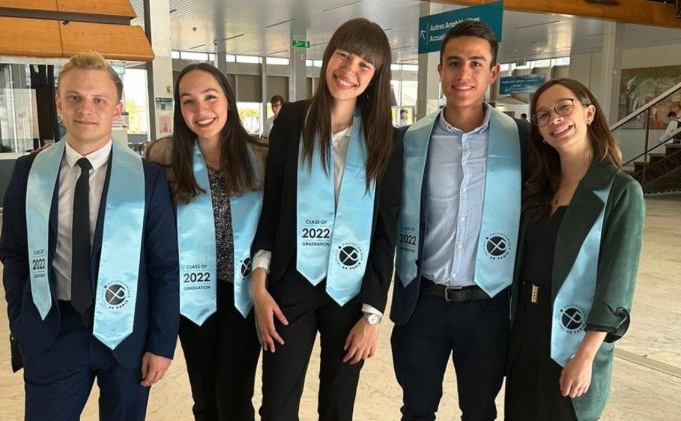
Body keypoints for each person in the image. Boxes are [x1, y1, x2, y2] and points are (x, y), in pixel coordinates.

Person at [0, 51, 179, 420]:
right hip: (52, 330)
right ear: (59, 104)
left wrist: (161, 344)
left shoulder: (146, 179)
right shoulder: (30, 173)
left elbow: (164, 266)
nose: (85, 109)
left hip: (127, 334)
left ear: (117, 109)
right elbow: (14, 253)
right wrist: (20, 318)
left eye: (99, 100)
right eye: (75, 97)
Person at [250, 18, 404, 421]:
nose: (349, 70)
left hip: (349, 292)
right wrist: (259, 286)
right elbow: (272, 207)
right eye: (344, 56)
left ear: (376, 76)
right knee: (276, 407)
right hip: (291, 282)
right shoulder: (292, 121)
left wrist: (373, 315)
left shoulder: (385, 139)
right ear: (328, 55)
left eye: (364, 65)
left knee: (338, 408)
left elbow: (386, 231)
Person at [390, 20, 529, 420]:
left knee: (480, 411)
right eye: (453, 62)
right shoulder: (410, 141)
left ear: (493, 73)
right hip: (422, 303)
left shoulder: (522, 141)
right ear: (440, 69)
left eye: (475, 63)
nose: (463, 74)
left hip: (489, 305)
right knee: (416, 409)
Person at [505, 78, 645, 421]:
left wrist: (585, 356)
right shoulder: (539, 186)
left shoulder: (619, 190)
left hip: (573, 338)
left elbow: (617, 283)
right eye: (542, 115)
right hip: (526, 332)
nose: (554, 119)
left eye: (564, 107)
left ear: (589, 113)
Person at [144, 63, 266, 421]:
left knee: (234, 397)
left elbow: (275, 227)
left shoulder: (263, 156)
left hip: (244, 292)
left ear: (227, 100)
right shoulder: (163, 159)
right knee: (205, 398)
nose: (201, 111)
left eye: (210, 97)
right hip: (192, 291)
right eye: (189, 101)